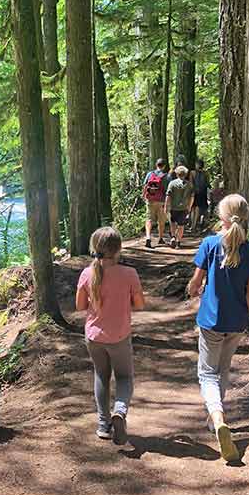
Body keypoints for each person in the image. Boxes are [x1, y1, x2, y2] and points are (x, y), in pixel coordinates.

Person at [186, 194, 249, 462]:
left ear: (221, 216)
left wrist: (193, 290)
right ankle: (214, 420)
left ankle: (218, 418)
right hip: (237, 323)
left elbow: (195, 283)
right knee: (222, 370)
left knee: (207, 374)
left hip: (211, 321)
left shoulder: (209, 244)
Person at [76, 227, 145, 445]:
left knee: (101, 376)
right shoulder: (129, 274)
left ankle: (103, 425)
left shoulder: (87, 273)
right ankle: (120, 411)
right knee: (124, 377)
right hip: (120, 336)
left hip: (94, 337)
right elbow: (140, 305)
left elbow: (79, 306)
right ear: (118, 249)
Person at [163, 164, 194, 248]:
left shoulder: (172, 183)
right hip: (184, 208)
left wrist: (166, 206)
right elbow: (192, 197)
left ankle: (173, 237)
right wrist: (189, 207)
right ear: (186, 174)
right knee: (181, 226)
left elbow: (168, 196)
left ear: (177, 174)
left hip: (174, 207)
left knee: (172, 223)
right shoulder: (189, 184)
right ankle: (178, 242)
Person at [142, 158, 169, 247]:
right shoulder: (166, 176)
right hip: (161, 201)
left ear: (156, 165)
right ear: (164, 166)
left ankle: (148, 237)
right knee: (161, 220)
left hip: (150, 200)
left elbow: (145, 185)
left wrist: (144, 196)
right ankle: (160, 238)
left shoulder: (150, 174)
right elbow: (168, 190)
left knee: (149, 218)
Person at [190, 159, 210, 232]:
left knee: (193, 209)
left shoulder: (192, 173)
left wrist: (193, 191)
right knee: (198, 209)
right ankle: (194, 225)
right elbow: (207, 183)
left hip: (195, 193)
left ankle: (193, 225)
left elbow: (191, 184)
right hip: (202, 192)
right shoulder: (206, 173)